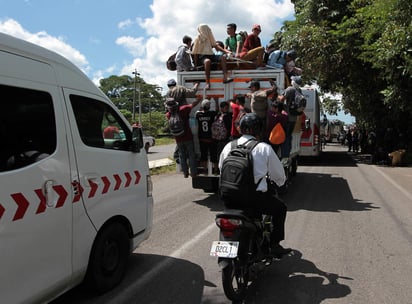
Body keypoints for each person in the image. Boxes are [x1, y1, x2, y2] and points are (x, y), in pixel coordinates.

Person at [218, 113, 291, 257]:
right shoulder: (264, 148)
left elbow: (221, 169)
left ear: (240, 129)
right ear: (259, 130)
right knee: (281, 208)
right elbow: (279, 176)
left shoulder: (229, 146)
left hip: (229, 199)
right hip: (254, 200)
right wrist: (281, 183)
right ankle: (274, 244)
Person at [165, 97, 200, 178]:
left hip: (178, 139)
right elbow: (193, 104)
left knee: (182, 155)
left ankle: (185, 173)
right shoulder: (183, 109)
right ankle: (193, 172)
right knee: (191, 154)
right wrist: (199, 99)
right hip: (188, 137)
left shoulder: (168, 115)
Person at [191, 24, 233, 89]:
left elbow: (216, 46)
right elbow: (195, 53)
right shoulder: (197, 39)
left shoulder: (210, 37)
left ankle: (225, 77)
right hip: (203, 57)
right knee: (207, 61)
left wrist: (227, 52)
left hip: (211, 55)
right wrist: (196, 65)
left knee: (223, 57)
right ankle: (208, 82)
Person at [278, 75, 303, 158]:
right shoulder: (299, 91)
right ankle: (287, 153)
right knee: (289, 135)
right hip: (294, 118)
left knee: (285, 136)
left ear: (294, 82)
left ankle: (284, 154)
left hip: (287, 117)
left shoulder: (289, 89)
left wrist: (277, 95)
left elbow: (281, 99)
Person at [196, 98, 219, 173]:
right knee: (213, 155)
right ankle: (215, 169)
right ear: (209, 107)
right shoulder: (211, 114)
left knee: (203, 155)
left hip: (202, 139)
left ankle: (205, 169)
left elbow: (200, 110)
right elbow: (217, 110)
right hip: (211, 138)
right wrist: (216, 101)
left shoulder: (198, 114)